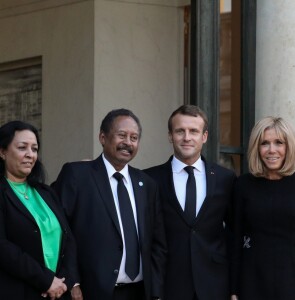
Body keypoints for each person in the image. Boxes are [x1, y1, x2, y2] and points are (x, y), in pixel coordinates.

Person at [52, 108, 167, 300]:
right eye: (121, 135)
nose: (128, 143)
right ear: (103, 138)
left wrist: (155, 289)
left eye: (134, 137)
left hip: (139, 292)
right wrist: (72, 280)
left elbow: (157, 243)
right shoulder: (78, 175)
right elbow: (61, 231)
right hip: (91, 292)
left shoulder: (146, 184)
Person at [144, 104, 236, 300]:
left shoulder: (225, 178)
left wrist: (234, 288)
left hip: (215, 285)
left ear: (204, 136)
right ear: (170, 136)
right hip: (168, 285)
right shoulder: (149, 180)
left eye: (193, 131)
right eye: (180, 131)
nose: (187, 137)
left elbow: (234, 235)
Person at [0, 120, 82, 300]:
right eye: (22, 148)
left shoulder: (46, 192)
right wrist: (45, 280)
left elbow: (68, 238)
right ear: (3, 152)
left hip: (58, 292)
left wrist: (65, 282)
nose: (30, 154)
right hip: (19, 291)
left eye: (34, 149)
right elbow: (3, 248)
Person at [230, 116, 295, 300]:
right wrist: (233, 290)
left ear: (289, 146)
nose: (271, 150)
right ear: (256, 147)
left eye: (279, 143)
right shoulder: (243, 184)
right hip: (252, 280)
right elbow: (235, 237)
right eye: (265, 143)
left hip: (293, 279)